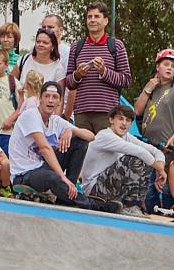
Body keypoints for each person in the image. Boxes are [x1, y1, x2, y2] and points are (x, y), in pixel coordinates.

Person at [8, 82, 118, 212]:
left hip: (42, 168)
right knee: (53, 177)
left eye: (54, 97)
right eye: (47, 96)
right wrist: (63, 177)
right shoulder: (31, 115)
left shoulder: (56, 121)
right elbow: (44, 148)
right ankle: (92, 205)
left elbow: (91, 136)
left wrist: (71, 131)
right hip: (24, 175)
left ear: (60, 101)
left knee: (79, 141)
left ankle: (66, 195)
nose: (50, 100)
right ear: (40, 99)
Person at [134, 48, 174, 213]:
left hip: (168, 147)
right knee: (147, 185)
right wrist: (147, 89)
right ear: (157, 67)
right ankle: (147, 215)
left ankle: (166, 217)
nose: (169, 68)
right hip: (147, 144)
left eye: (173, 66)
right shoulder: (151, 87)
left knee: (165, 186)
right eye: (166, 64)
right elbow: (137, 111)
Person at [80, 105, 166, 217]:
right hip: (94, 190)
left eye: (128, 120)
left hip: (111, 189)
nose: (124, 123)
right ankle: (130, 206)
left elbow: (155, 151)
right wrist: (159, 169)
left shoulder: (127, 136)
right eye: (120, 119)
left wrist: (161, 167)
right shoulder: (105, 136)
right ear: (111, 120)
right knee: (135, 158)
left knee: (146, 160)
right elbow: (140, 152)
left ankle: (136, 205)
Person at [66, 1, 132, 133]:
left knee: (106, 152)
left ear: (106, 21)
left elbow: (126, 80)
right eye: (89, 17)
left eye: (97, 16)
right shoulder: (76, 47)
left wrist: (104, 72)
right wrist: (77, 75)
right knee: (84, 152)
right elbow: (68, 82)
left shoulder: (116, 46)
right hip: (82, 113)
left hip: (108, 113)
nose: (92, 20)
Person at [13, 27, 66, 111]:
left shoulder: (58, 68)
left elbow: (60, 98)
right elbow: (10, 82)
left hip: (44, 117)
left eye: (45, 42)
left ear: (52, 46)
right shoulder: (24, 60)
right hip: (19, 114)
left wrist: (54, 120)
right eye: (38, 41)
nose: (40, 44)